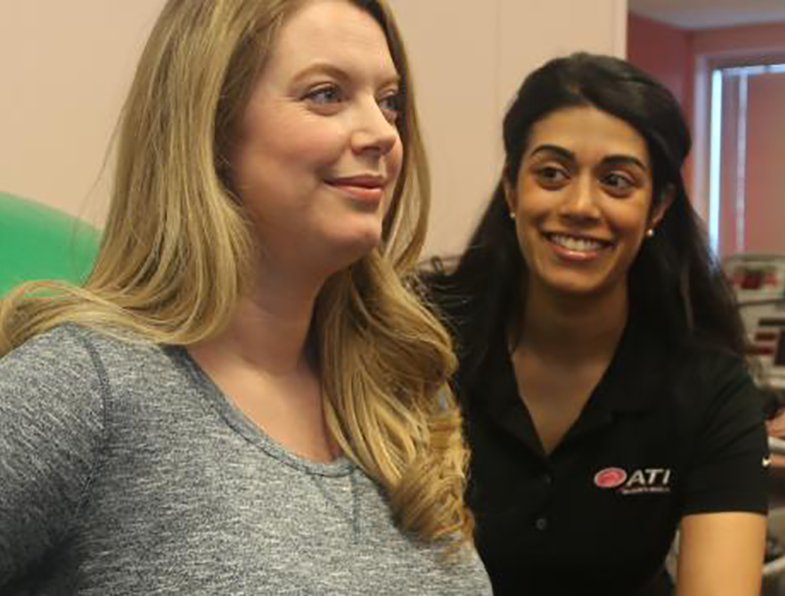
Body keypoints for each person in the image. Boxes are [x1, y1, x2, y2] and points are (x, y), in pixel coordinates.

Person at [0, 1, 493, 594]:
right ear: (212, 125)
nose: (383, 133)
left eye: (389, 102)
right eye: (327, 94)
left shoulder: (400, 397)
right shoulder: (88, 386)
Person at [427, 52, 768, 595]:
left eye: (616, 181)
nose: (582, 205)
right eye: (552, 173)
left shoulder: (708, 390)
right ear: (513, 188)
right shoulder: (420, 343)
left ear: (658, 206)